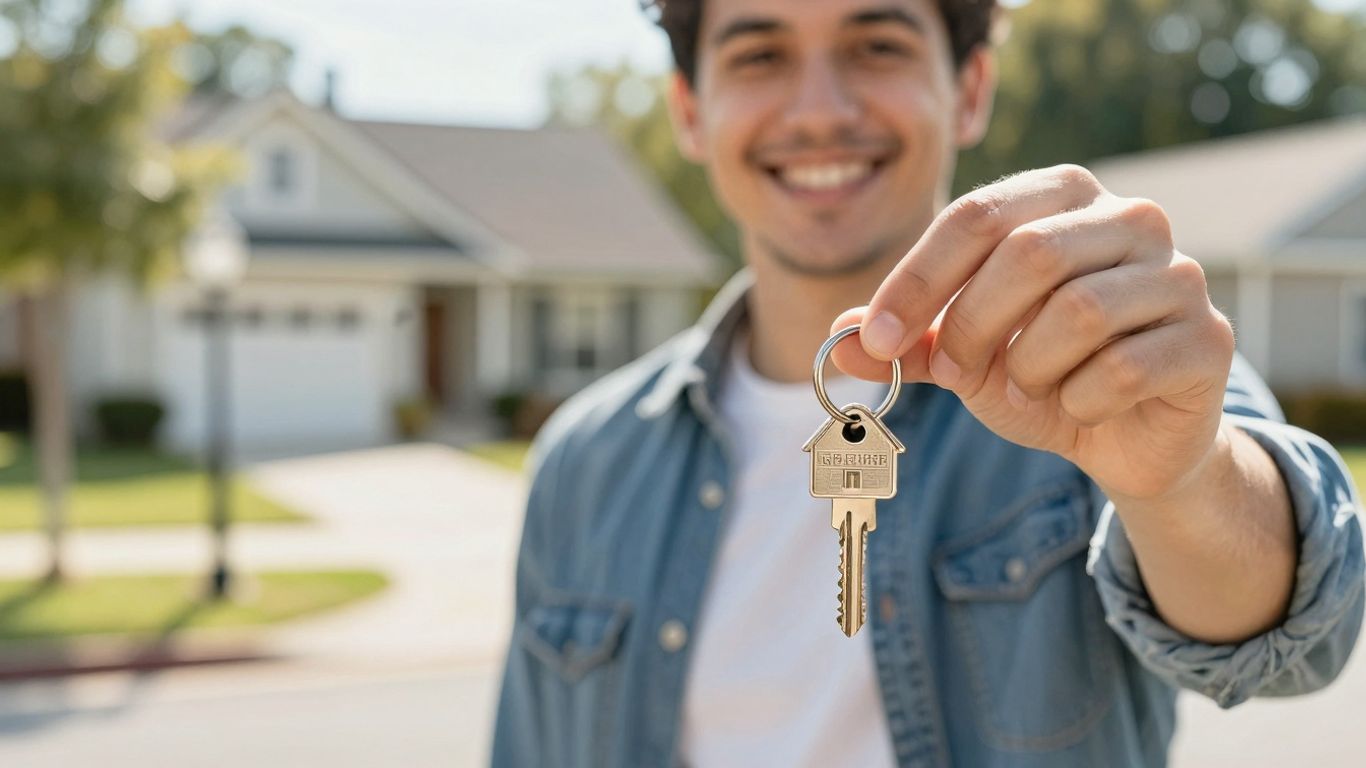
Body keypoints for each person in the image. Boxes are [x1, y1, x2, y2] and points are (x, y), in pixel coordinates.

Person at [491, 0, 1366, 765]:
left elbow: (1293, 643)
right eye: (760, 54)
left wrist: (1182, 483)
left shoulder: (1105, 366)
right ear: (690, 110)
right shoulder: (584, 459)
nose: (820, 110)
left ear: (971, 88)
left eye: (877, 45)